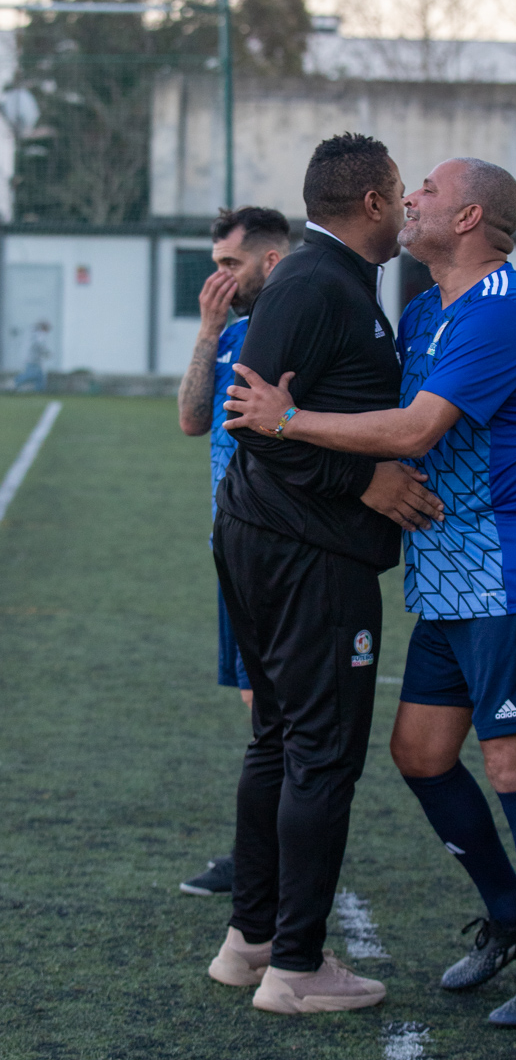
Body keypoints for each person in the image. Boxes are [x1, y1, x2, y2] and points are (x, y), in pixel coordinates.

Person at [226, 157, 516, 1030]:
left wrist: (287, 419)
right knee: (421, 756)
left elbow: (417, 428)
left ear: (469, 218)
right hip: (449, 569)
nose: (409, 200)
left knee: (514, 767)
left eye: (426, 190)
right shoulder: (426, 306)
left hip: (514, 566)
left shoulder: (503, 308)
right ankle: (509, 915)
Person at [208, 133, 445, 1013]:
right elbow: (246, 416)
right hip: (302, 551)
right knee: (320, 751)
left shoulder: (332, 279)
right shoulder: (316, 282)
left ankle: (252, 940)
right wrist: (366, 477)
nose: (409, 205)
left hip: (274, 539)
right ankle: (297, 969)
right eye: (402, 191)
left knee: (278, 737)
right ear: (376, 202)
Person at [177, 206, 291, 896]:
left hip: (280, 548)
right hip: (233, 546)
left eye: (229, 266)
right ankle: (261, 855)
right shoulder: (229, 334)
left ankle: (270, 864)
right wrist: (209, 331)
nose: (217, 277)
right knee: (259, 704)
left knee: (281, 710)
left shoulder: (294, 327)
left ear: (269, 262)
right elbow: (192, 419)